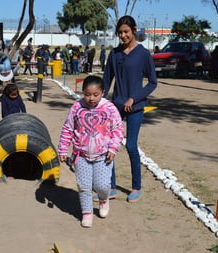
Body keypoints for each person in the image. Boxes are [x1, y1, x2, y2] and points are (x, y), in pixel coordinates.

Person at [102, 15, 157, 203]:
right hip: (116, 107)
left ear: (134, 30)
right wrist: (99, 101)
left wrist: (135, 98)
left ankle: (136, 187)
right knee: (109, 146)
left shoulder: (143, 54)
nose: (123, 36)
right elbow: (106, 80)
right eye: (120, 33)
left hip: (136, 107)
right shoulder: (114, 54)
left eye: (126, 32)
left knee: (131, 145)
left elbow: (152, 83)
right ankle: (111, 187)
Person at [58, 75, 124, 228]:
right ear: (82, 92)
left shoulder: (109, 108)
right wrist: (63, 148)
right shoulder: (76, 108)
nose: (91, 98)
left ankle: (103, 199)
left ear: (103, 93)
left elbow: (118, 129)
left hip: (103, 155)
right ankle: (86, 213)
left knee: (102, 185)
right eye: (87, 94)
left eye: (95, 95)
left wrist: (113, 148)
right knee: (84, 185)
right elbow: (68, 128)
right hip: (81, 155)